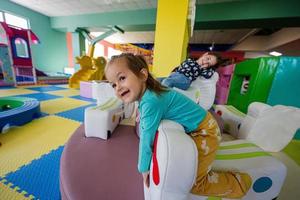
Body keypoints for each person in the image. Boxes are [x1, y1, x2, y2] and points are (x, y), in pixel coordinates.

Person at [105, 53, 251, 198]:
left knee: (195, 184)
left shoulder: (151, 101)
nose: (117, 87)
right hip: (201, 124)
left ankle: (240, 184)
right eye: (113, 84)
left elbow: (146, 138)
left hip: (206, 131)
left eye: (122, 78)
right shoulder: (150, 93)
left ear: (143, 75)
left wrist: (143, 168)